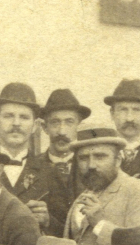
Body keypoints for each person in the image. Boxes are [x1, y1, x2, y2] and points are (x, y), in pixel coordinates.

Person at [16, 88, 88, 236]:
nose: (61, 131)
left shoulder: (90, 167)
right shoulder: (30, 168)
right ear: (44, 127)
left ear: (78, 126)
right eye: (55, 122)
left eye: (69, 122)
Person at [0, 83, 40, 202]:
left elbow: (65, 219)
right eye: (8, 116)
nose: (16, 123)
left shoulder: (49, 172)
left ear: (35, 126)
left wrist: (48, 220)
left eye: (24, 117)